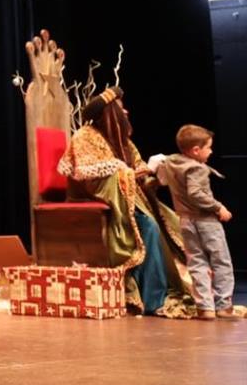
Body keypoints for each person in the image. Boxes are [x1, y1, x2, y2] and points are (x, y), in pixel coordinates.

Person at [58, 87, 196, 317]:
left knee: (164, 223)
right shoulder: (85, 136)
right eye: (121, 108)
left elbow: (138, 169)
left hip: (127, 199)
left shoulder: (123, 142)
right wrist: (130, 173)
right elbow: (89, 175)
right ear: (110, 112)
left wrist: (155, 172)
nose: (127, 111)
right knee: (149, 227)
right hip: (101, 199)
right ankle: (154, 299)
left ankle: (160, 292)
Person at [157, 124, 237, 320]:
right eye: (208, 147)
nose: (211, 152)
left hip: (185, 221)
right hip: (206, 221)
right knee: (221, 262)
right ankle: (223, 306)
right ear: (196, 150)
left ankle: (205, 307)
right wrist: (219, 207)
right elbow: (196, 194)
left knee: (197, 263)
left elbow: (162, 180)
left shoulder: (172, 163)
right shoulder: (196, 168)